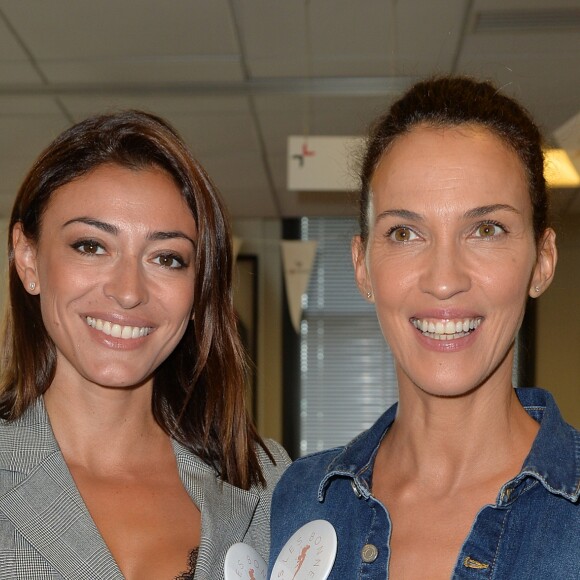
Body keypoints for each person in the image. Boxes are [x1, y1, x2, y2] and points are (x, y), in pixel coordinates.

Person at [269, 77, 579, 578]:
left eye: (486, 229)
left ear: (542, 261)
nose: (443, 280)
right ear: (363, 267)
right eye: (405, 233)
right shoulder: (298, 503)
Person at [0, 110, 290, 579]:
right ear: (28, 259)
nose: (129, 291)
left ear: (200, 290)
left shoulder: (266, 482)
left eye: (167, 258)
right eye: (92, 246)